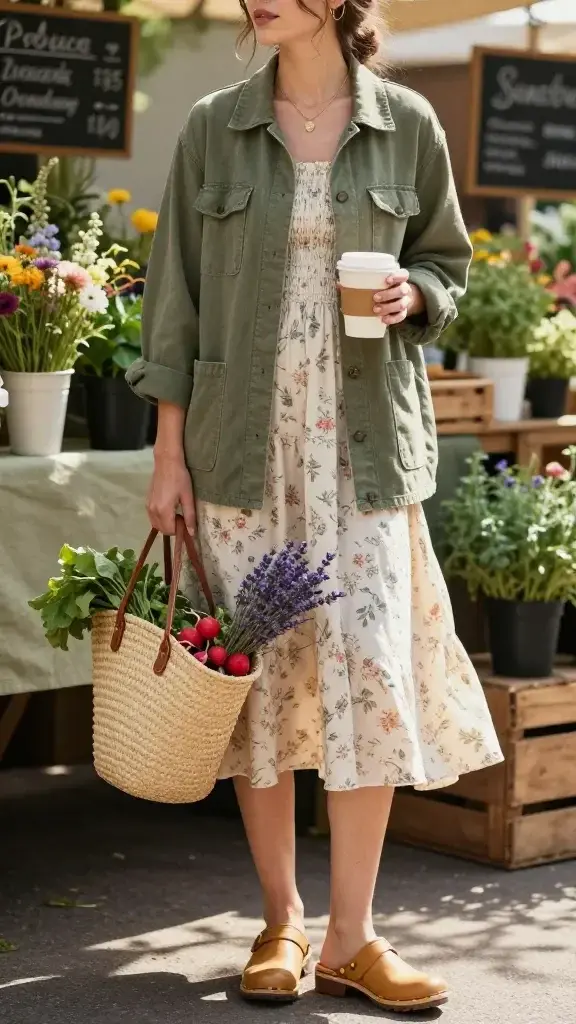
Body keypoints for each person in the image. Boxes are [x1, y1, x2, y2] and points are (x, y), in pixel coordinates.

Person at [127, 0, 503, 1012]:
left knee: (368, 674)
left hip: (366, 454)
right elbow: (175, 303)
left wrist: (414, 297)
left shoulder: (407, 125)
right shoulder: (214, 125)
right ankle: (281, 922)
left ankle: (354, 935)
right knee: (259, 684)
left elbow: (449, 263)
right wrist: (168, 459)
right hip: (241, 451)